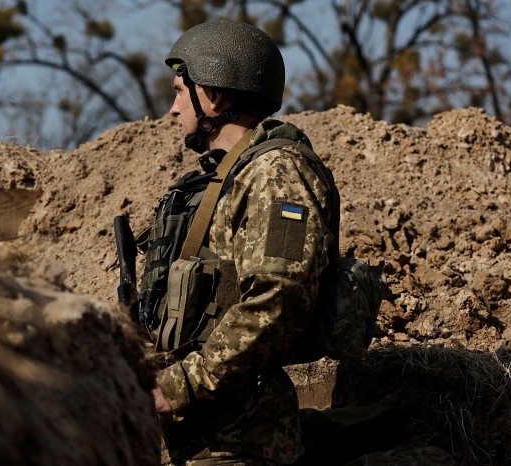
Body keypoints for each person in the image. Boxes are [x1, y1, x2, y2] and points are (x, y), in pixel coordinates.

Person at [135, 19, 341, 465]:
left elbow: (278, 301)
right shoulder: (223, 178)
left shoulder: (277, 175)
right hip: (195, 437)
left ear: (214, 94)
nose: (173, 110)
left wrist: (177, 387)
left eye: (178, 91)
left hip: (240, 442)